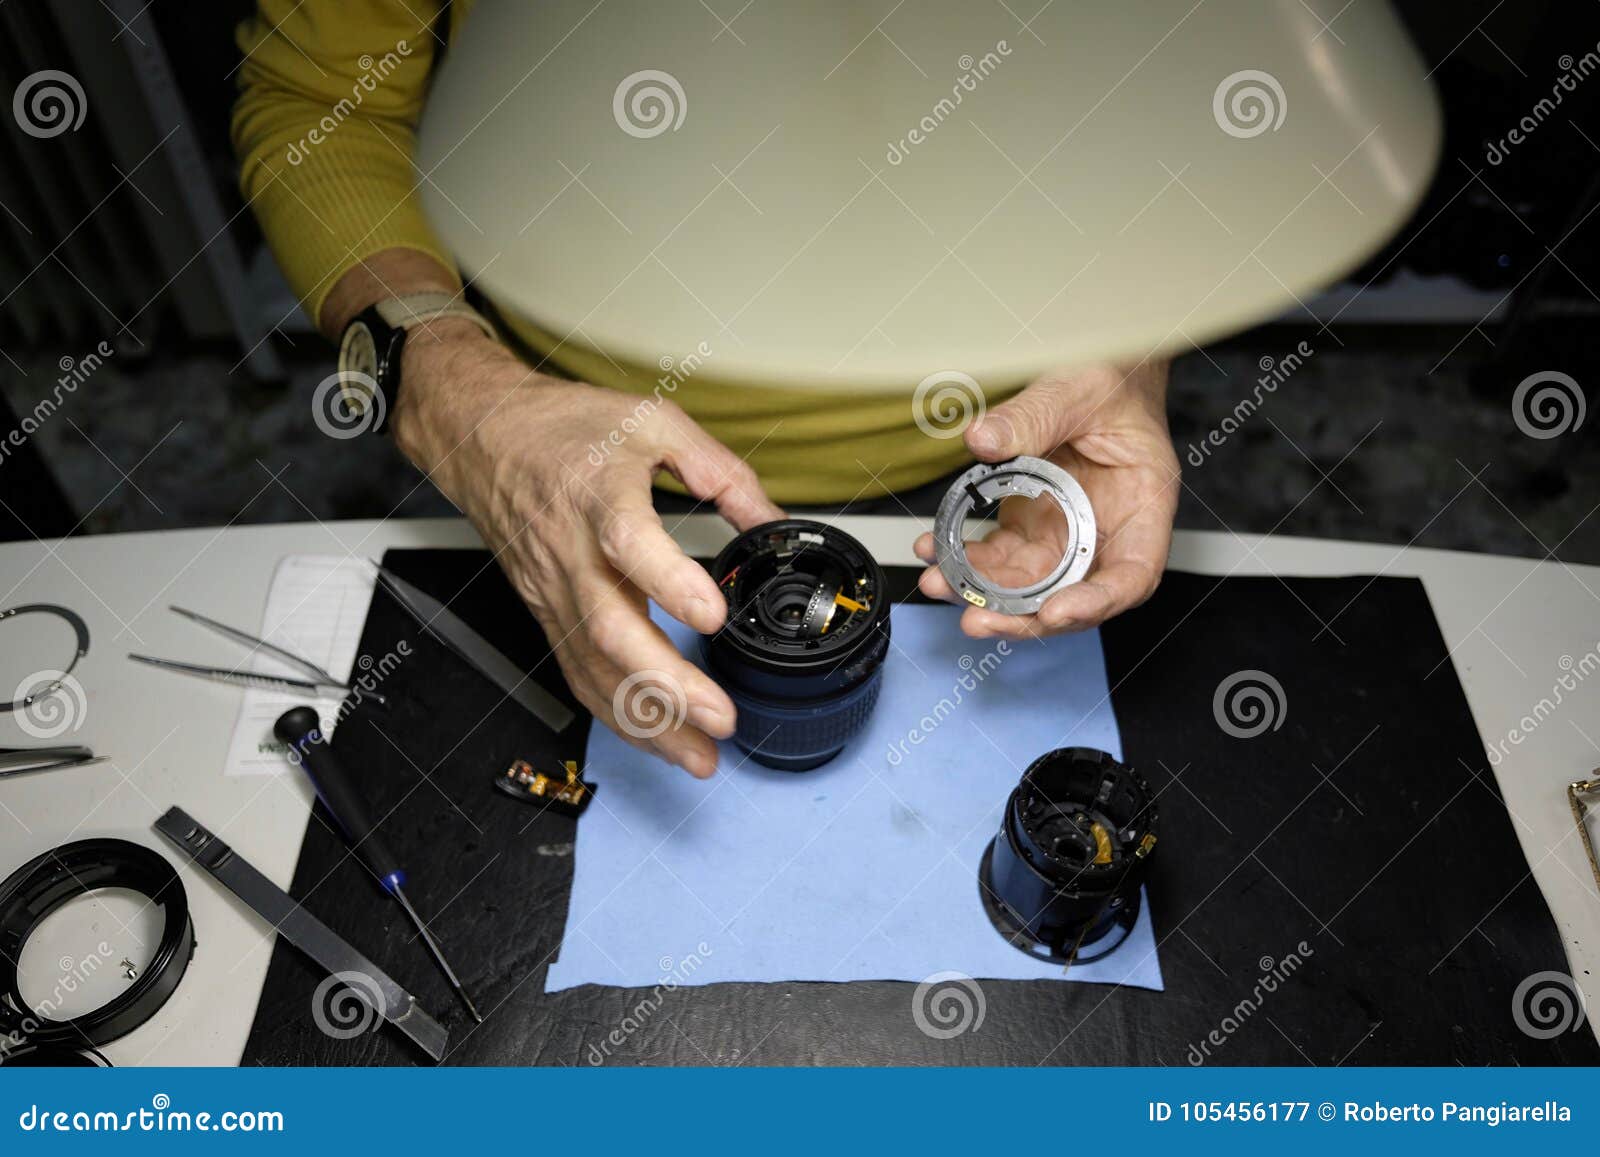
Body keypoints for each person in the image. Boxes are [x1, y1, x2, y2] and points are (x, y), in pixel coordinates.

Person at [233, 2, 1181, 779]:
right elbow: (317, 101)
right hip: (564, 470)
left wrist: (1128, 354)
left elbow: (1172, 91)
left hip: (1015, 475)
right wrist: (458, 395)